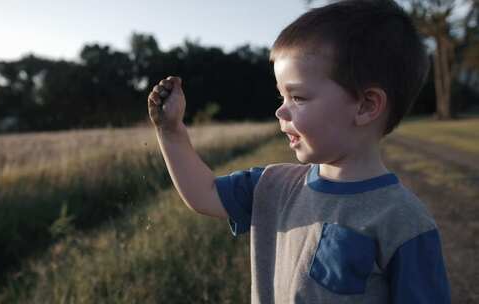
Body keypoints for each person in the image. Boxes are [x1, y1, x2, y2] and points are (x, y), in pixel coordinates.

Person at [147, 0, 451, 303]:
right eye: (281, 95)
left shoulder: (405, 222)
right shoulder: (273, 185)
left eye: (298, 97)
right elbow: (204, 194)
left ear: (366, 105)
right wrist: (171, 132)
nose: (281, 111)